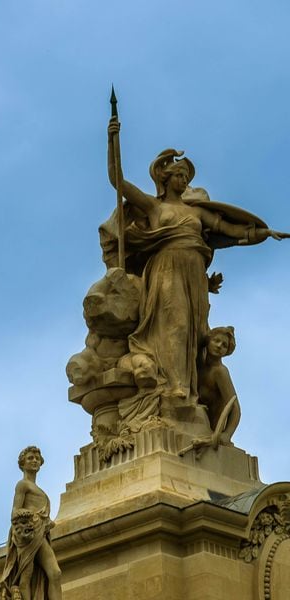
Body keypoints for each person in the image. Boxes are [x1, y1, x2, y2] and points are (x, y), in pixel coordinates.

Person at [107, 119, 287, 405]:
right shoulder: (155, 207)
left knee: (193, 329)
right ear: (166, 179)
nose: (184, 181)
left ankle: (188, 388)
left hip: (193, 270)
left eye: (185, 177)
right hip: (166, 265)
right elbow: (117, 180)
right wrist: (111, 139)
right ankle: (173, 387)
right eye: (179, 175)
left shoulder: (196, 213)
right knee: (173, 324)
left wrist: (262, 233)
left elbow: (230, 229)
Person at [0, 447, 62, 600]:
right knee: (26, 574)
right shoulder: (22, 485)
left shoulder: (38, 489)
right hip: (28, 533)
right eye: (30, 458)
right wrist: (28, 514)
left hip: (40, 532)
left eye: (37, 458)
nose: (34, 461)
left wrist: (47, 522)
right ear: (22, 463)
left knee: (55, 573)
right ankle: (17, 590)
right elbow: (14, 512)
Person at [198, 326, 240, 447]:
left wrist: (227, 435)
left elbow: (235, 408)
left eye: (224, 345)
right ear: (208, 340)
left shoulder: (220, 372)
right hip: (198, 424)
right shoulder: (198, 365)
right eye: (216, 340)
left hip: (212, 431)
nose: (219, 346)